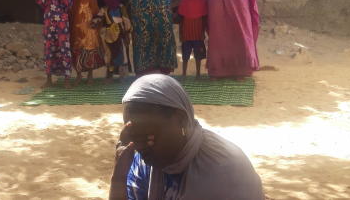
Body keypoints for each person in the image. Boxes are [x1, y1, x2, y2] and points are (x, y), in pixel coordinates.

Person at [109, 74, 264, 200]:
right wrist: (118, 178)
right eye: (134, 137)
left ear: (181, 121)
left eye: (149, 137)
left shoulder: (222, 170)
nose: (140, 147)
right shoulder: (145, 163)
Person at [36, 0, 74, 88]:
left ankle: (67, 79)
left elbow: (69, 5)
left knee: (64, 48)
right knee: (49, 48)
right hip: (49, 22)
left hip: (62, 23)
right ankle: (48, 79)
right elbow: (41, 3)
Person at [70, 0, 106, 84]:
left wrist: (96, 20)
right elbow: (71, 8)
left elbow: (94, 7)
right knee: (77, 47)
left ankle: (90, 75)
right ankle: (79, 75)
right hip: (77, 24)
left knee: (90, 47)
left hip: (89, 24)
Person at [94, 0, 133, 80]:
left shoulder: (120, 7)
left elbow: (126, 20)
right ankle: (109, 75)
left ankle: (122, 75)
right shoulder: (105, 9)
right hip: (108, 36)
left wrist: (127, 33)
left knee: (121, 53)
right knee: (109, 54)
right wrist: (93, 23)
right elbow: (98, 17)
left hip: (120, 34)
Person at [176, 0, 208, 78]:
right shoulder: (184, 2)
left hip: (198, 34)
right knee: (185, 55)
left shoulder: (202, 2)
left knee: (198, 55)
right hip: (187, 34)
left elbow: (203, 19)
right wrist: (181, 33)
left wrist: (203, 32)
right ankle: (184, 73)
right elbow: (181, 20)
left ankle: (198, 73)